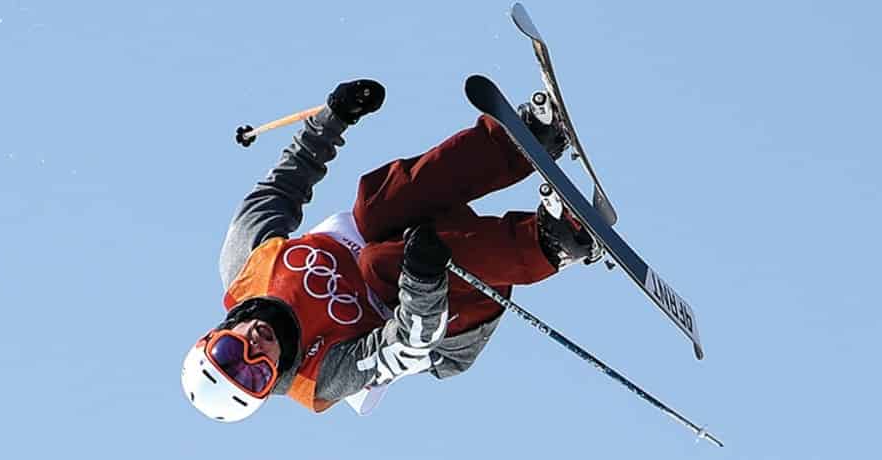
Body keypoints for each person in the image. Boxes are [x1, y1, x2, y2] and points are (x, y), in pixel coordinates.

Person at [182, 78, 598, 423]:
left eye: (230, 352)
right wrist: (421, 278)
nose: (255, 349)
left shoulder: (245, 266)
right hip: (442, 322)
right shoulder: (320, 377)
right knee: (382, 264)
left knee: (376, 203)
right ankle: (553, 242)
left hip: (400, 249)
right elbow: (411, 343)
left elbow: (282, 187)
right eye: (256, 376)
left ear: (214, 335)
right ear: (271, 385)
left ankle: (520, 142)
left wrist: (333, 119)